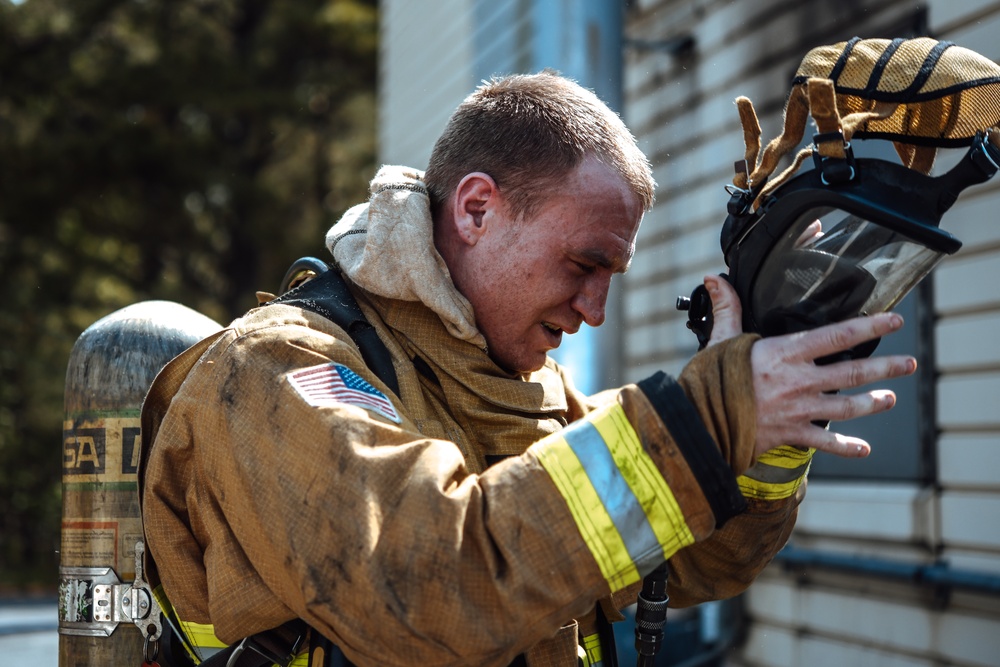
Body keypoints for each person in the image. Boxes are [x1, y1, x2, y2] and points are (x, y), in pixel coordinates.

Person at [139, 71, 915, 667]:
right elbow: (430, 583)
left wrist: (766, 415)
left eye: (613, 275)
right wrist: (706, 415)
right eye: (583, 262)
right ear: (476, 210)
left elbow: (703, 559)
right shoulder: (277, 369)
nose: (596, 309)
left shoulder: (539, 399)